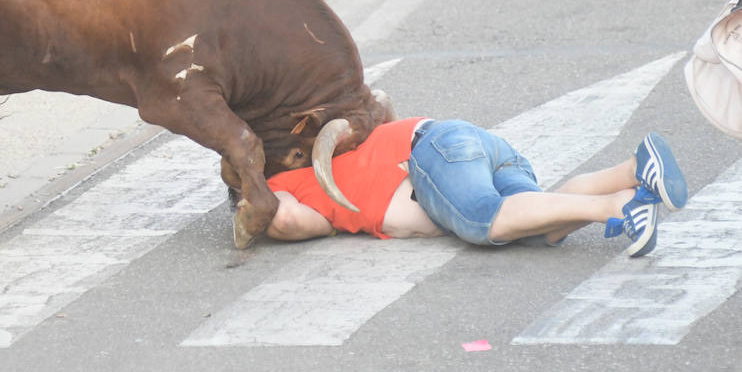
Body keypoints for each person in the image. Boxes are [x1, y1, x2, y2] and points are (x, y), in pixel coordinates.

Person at [266, 117, 688, 258]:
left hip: (434, 151)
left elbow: (285, 219)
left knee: (480, 219)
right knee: (538, 228)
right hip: (470, 145)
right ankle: (634, 170)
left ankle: (616, 207)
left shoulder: (281, 184)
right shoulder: (335, 157)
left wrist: (259, 209)